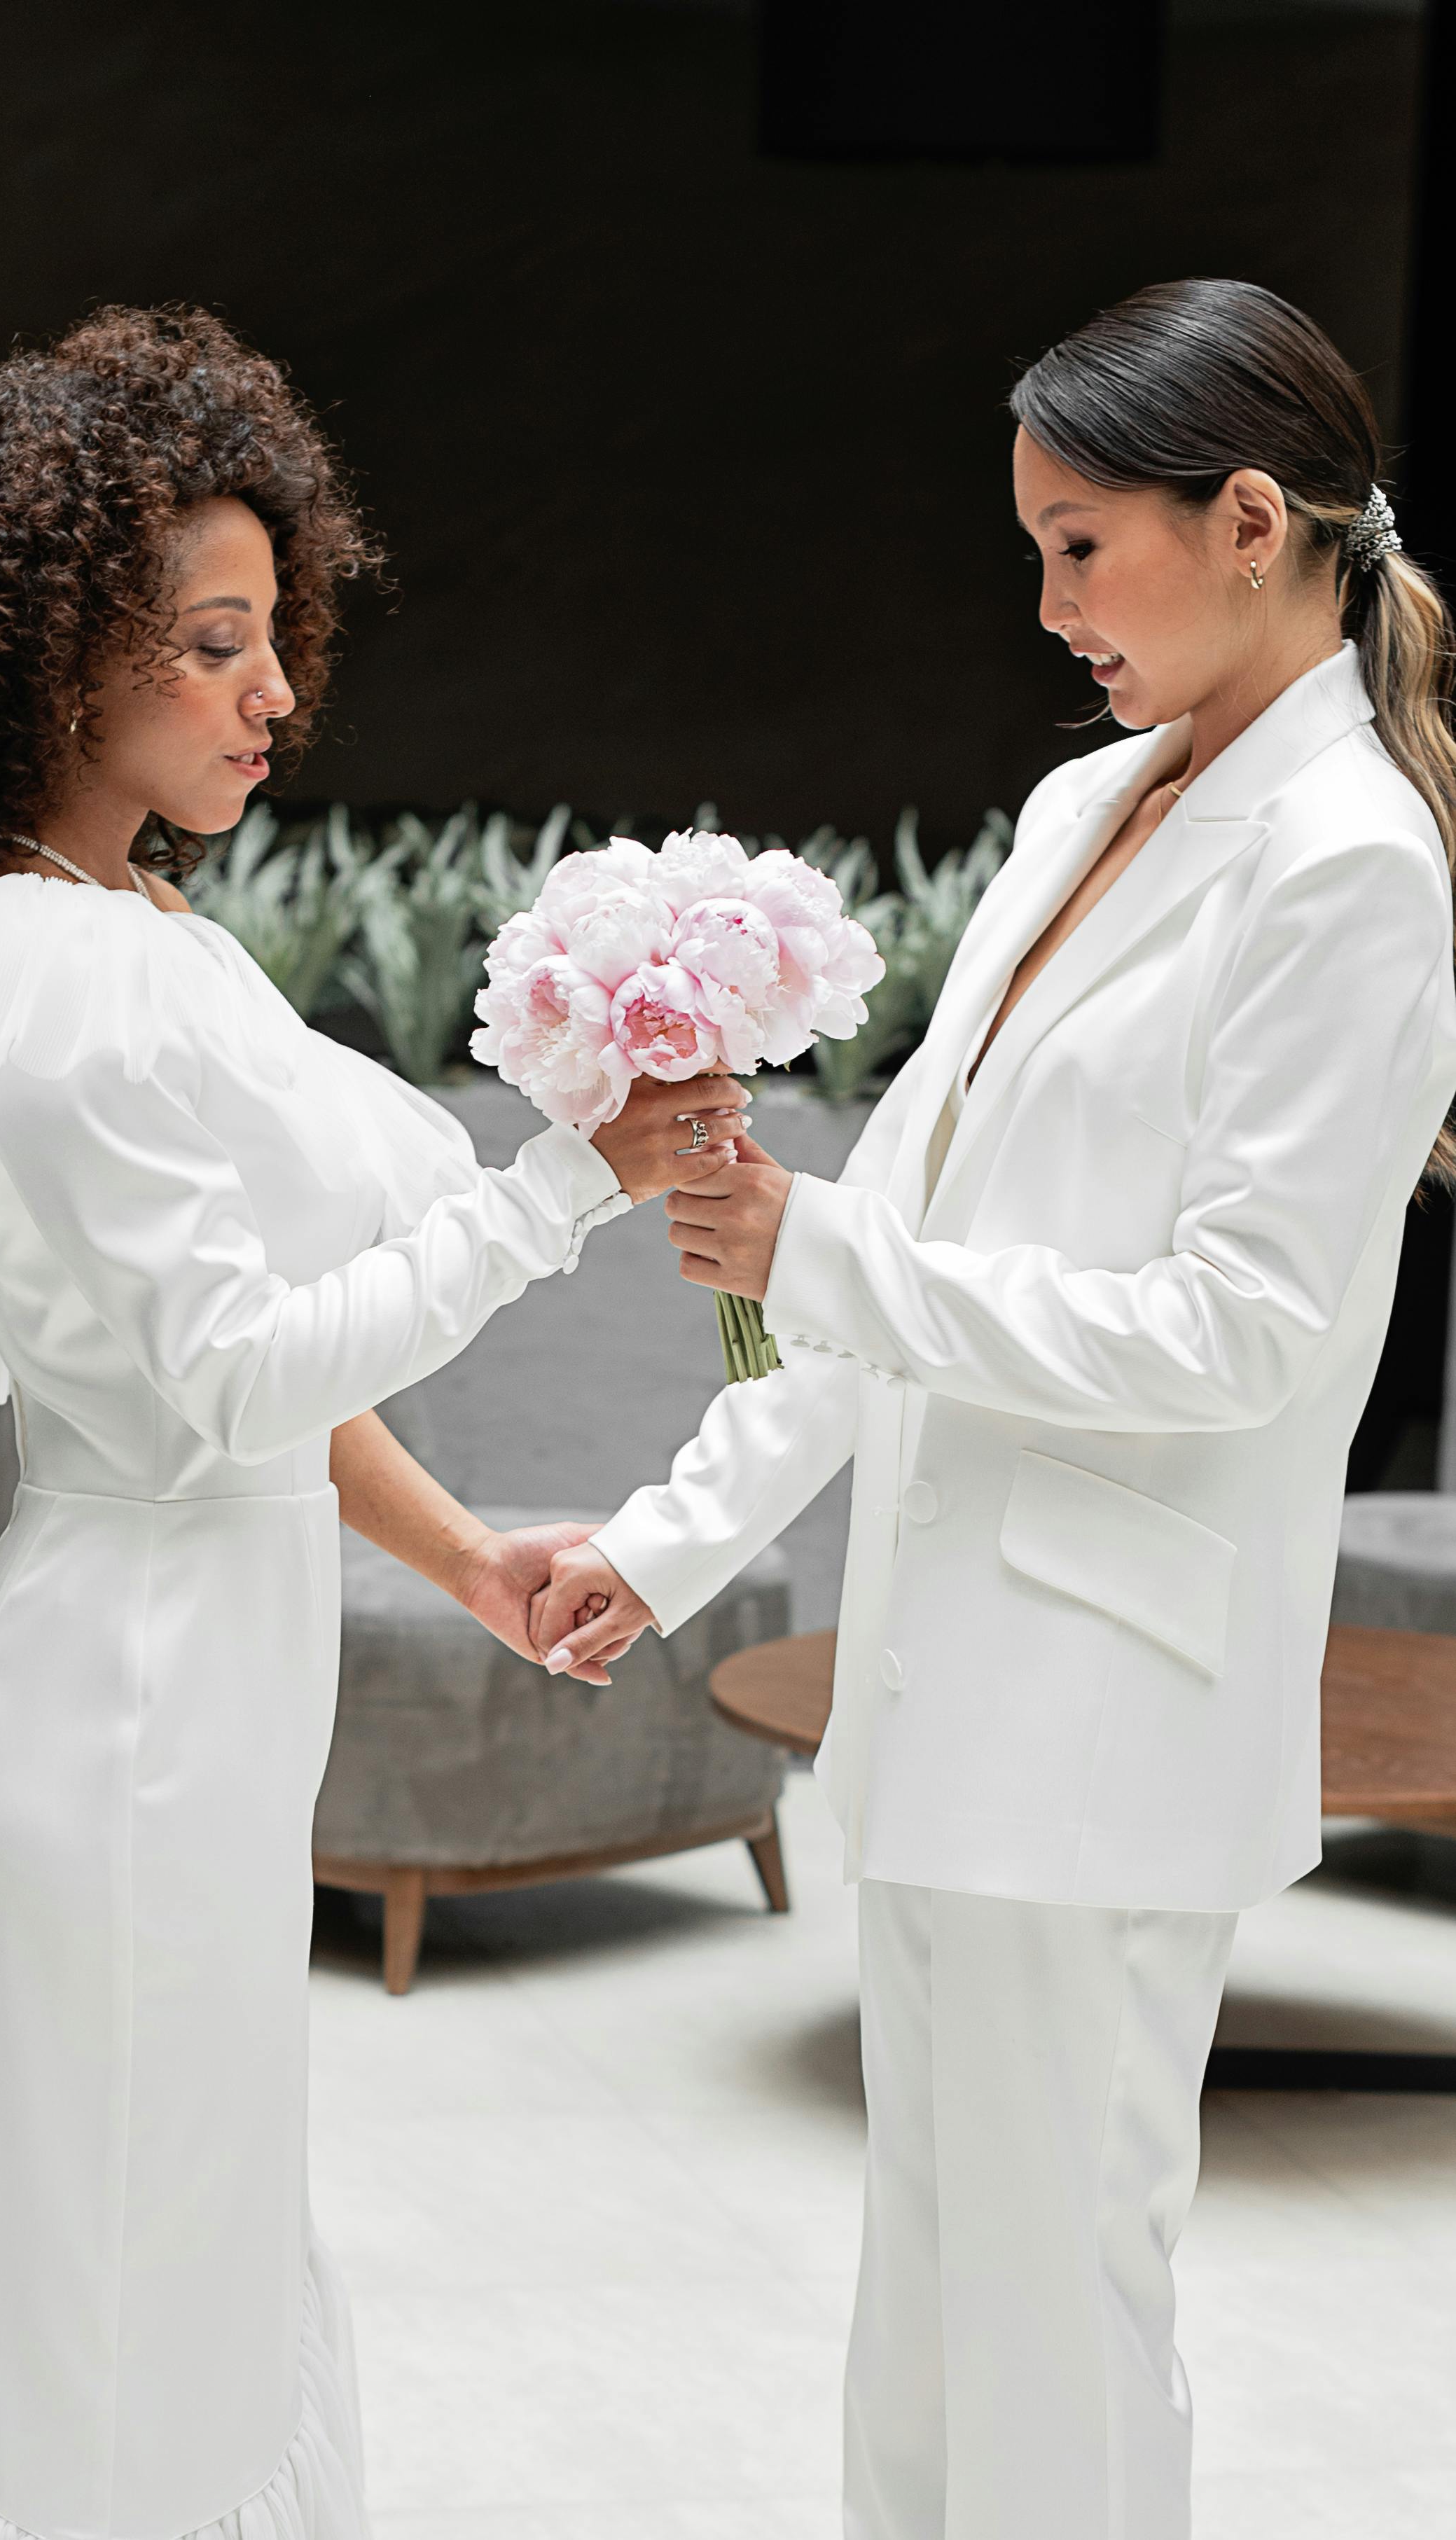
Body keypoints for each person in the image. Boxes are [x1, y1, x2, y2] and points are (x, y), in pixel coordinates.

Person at [0, 306, 747, 2540]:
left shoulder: (146, 938)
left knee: (167, 2238)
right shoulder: (52, 986)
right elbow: (220, 1381)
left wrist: (466, 1549)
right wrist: (556, 1194)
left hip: (190, 1667)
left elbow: (229, 1398)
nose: (277, 687)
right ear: (49, 659)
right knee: (100, 2281)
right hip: (125, 1704)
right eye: (212, 643)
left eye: (273, 631)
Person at [531, 278, 1456, 2539]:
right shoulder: (1072, 812)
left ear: (1252, 520)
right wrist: (660, 1544)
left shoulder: (1353, 868)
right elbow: (893, 1240)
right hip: (953, 1695)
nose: (1048, 606)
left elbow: (1236, 1329)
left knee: (1060, 2319)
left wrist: (825, 1249)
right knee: (931, 2305)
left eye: (1079, 546)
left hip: (1116, 1714)